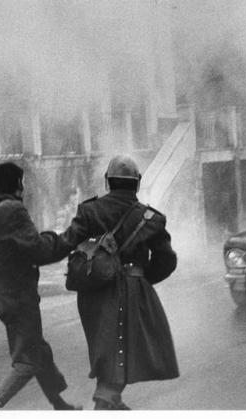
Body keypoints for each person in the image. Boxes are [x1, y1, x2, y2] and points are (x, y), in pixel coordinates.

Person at [58, 154, 180, 410]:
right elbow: (166, 259)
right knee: (121, 351)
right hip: (132, 290)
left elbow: (67, 243)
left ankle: (111, 403)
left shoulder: (89, 211)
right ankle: (105, 404)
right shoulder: (150, 218)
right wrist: (142, 279)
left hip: (94, 294)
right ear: (136, 183)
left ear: (108, 182)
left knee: (107, 350)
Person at [0, 162, 80, 411]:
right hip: (20, 297)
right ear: (18, 185)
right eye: (22, 183)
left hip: (5, 294)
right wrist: (65, 237)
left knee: (37, 349)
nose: (25, 188)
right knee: (27, 360)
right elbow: (41, 250)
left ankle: (59, 404)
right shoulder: (13, 210)